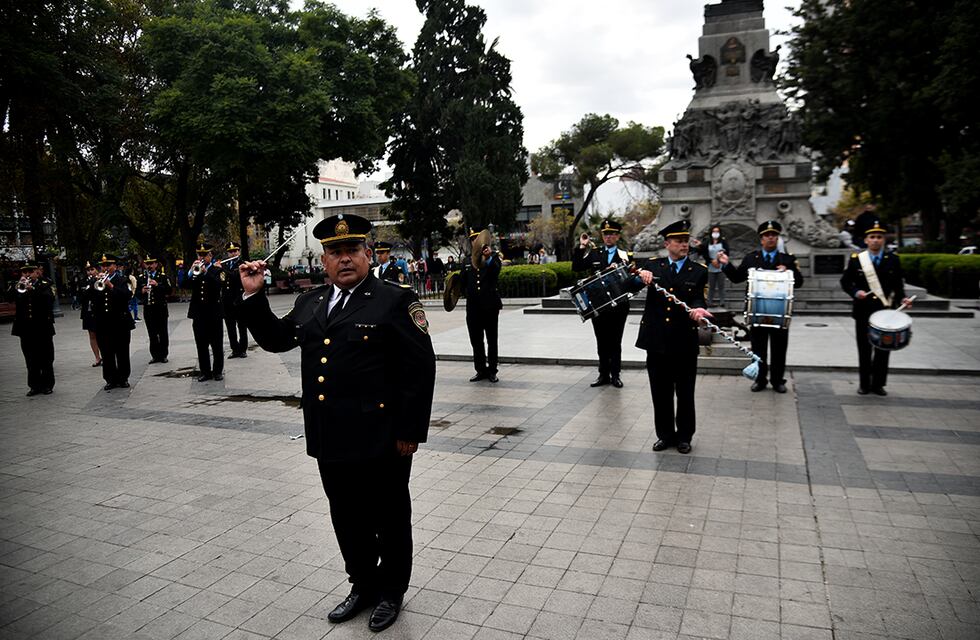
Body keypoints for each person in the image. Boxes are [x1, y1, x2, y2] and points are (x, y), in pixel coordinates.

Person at [237, 214, 435, 633]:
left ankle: (391, 591)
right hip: (330, 434)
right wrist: (254, 296)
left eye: (351, 251)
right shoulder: (311, 302)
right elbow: (276, 340)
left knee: (389, 515)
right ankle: (362, 584)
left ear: (367, 254)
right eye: (334, 252)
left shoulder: (395, 300)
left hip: (382, 436)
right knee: (346, 515)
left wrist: (409, 432)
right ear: (323, 260)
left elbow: (419, 370)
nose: (344, 259)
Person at [632, 220, 710, 454]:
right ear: (667, 244)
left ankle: (684, 436)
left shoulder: (699, 271)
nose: (684, 245)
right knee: (660, 391)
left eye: (686, 241)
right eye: (679, 241)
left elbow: (698, 299)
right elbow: (628, 285)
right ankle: (664, 435)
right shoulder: (652, 266)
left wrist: (698, 310)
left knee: (685, 392)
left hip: (684, 341)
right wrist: (639, 276)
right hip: (656, 341)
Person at [719, 220, 804, 393]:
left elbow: (800, 282)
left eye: (773, 235)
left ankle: (778, 380)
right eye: (767, 235)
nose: (770, 238)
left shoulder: (787, 259)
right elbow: (736, 278)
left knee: (779, 348)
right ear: (761, 239)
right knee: (758, 348)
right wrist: (726, 264)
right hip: (757, 311)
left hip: (779, 313)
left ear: (777, 238)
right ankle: (760, 379)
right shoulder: (751, 258)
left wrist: (790, 271)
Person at [840, 219, 913, 396]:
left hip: (885, 311)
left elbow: (898, 285)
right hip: (863, 310)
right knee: (864, 349)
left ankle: (878, 384)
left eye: (879, 237)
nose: (875, 240)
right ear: (866, 240)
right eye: (872, 237)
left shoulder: (893, 260)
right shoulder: (857, 260)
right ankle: (864, 384)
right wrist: (856, 292)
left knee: (883, 349)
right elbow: (846, 282)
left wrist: (903, 298)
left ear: (884, 239)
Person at [572, 218, 632, 388]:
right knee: (602, 341)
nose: (608, 237)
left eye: (612, 234)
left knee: (615, 341)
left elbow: (632, 281)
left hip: (619, 305)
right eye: (605, 234)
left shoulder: (625, 255)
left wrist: (621, 271)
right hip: (598, 305)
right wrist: (582, 246)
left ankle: (615, 375)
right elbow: (576, 267)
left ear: (617, 236)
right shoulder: (595, 253)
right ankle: (603, 374)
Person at [460, 228, 502, 383]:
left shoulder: (493, 258)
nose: (474, 242)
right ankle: (480, 370)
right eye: (472, 240)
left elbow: (495, 272)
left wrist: (488, 256)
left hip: (490, 307)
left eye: (477, 239)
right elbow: (462, 283)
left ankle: (492, 370)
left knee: (492, 339)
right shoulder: (466, 261)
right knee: (476, 341)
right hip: (473, 308)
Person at [11, 263, 56, 395]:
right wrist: (18, 286)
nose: (27, 274)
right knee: (30, 358)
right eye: (25, 272)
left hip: (42, 327)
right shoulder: (19, 285)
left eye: (30, 271)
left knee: (46, 357)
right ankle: (34, 385)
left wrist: (33, 289)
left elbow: (49, 299)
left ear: (37, 272)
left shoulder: (46, 284)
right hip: (25, 328)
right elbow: (10, 297)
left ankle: (47, 384)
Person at [92, 254, 134, 390]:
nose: (105, 268)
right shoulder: (96, 280)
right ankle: (110, 379)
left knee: (122, 352)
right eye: (103, 266)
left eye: (108, 265)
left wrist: (111, 286)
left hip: (120, 322)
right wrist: (92, 283)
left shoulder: (122, 279)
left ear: (115, 266)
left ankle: (123, 378)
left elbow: (127, 296)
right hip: (103, 323)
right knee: (106, 352)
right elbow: (86, 297)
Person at [187, 242, 225, 382]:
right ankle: (205, 372)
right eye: (200, 255)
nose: (202, 257)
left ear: (210, 255)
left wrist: (206, 272)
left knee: (217, 344)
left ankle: (217, 371)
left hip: (214, 313)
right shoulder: (194, 270)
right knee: (201, 345)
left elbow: (218, 285)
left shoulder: (217, 270)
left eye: (205, 255)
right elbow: (183, 284)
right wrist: (191, 272)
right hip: (198, 314)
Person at [139, 254, 172, 364]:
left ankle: (163, 355)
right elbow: (136, 294)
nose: (149, 266)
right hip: (148, 309)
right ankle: (155, 355)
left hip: (160, 309)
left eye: (152, 263)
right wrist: (142, 292)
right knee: (152, 333)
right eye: (147, 264)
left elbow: (169, 290)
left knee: (162, 333)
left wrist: (157, 285)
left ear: (156, 264)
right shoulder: (142, 277)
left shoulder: (162, 276)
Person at [220, 242, 248, 358]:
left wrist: (222, 269)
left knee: (241, 326)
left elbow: (235, 276)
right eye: (230, 252)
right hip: (227, 300)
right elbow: (221, 280)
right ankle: (235, 349)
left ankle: (243, 349)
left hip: (239, 300)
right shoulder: (224, 265)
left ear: (239, 252)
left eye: (235, 251)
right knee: (230, 327)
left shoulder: (242, 264)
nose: (233, 254)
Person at [696, 224, 730, 307]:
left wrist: (719, 260)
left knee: (721, 285)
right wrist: (712, 260)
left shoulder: (723, 242)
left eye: (717, 232)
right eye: (714, 231)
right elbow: (704, 252)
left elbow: (727, 252)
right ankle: (709, 302)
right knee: (711, 286)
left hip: (721, 267)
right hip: (711, 266)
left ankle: (722, 302)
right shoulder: (707, 242)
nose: (715, 233)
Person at [78, 261, 102, 367]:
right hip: (88, 311)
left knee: (102, 334)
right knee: (92, 335)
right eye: (88, 270)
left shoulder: (101, 280)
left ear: (97, 269)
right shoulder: (83, 282)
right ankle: (97, 357)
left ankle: (106, 355)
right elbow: (81, 296)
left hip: (99, 311)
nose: (90, 272)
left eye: (92, 269)